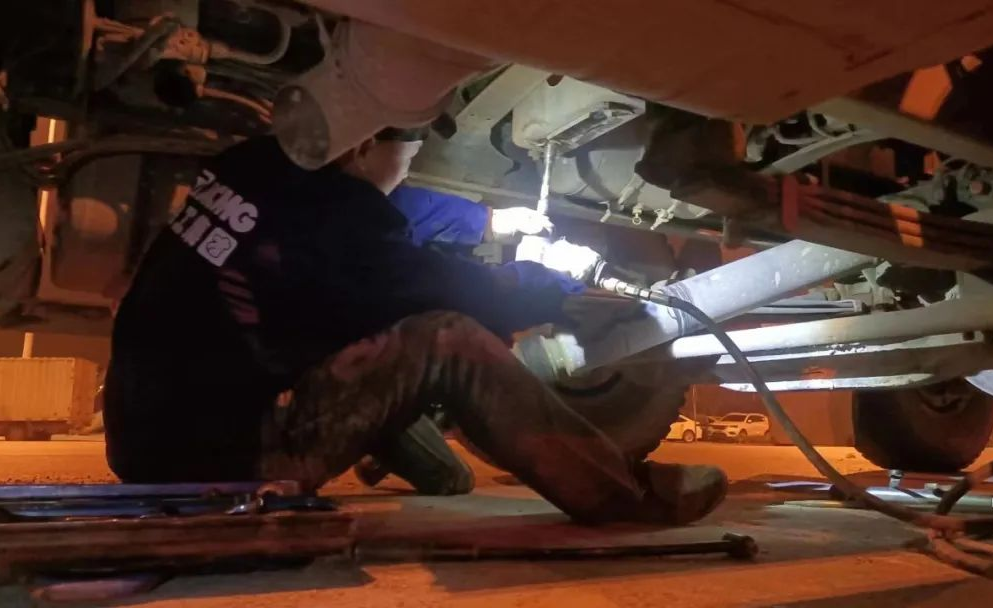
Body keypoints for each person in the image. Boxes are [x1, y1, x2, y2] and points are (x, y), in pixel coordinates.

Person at [103, 127, 727, 525]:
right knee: (446, 338)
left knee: (445, 468)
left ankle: (405, 457)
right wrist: (555, 285)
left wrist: (490, 222)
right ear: (361, 147)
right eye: (407, 155)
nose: (407, 167)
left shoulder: (255, 168)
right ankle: (623, 498)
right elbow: (455, 291)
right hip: (225, 464)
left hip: (146, 443)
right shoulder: (349, 235)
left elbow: (377, 211)